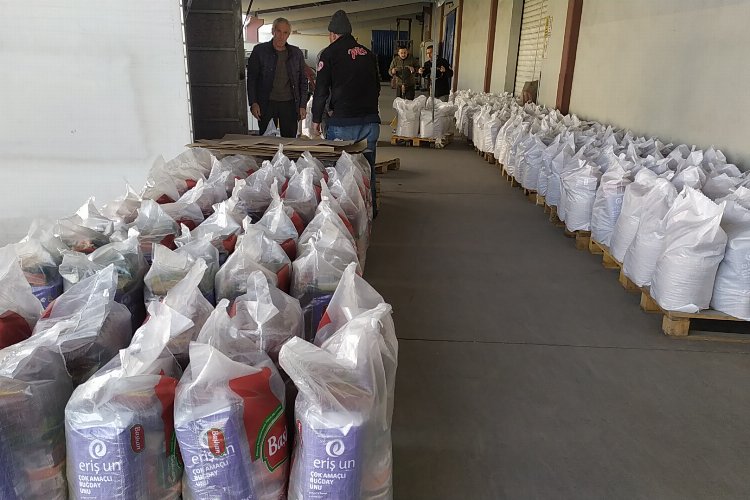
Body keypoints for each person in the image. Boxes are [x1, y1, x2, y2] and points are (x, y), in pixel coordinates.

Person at [312, 10, 381, 216]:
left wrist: (316, 119)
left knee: (341, 174)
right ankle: (370, 211)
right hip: (370, 123)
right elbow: (377, 87)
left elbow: (321, 90)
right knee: (367, 168)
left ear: (333, 34)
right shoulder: (368, 54)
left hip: (343, 123)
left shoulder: (329, 53)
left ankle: (345, 217)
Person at [246, 18, 308, 137]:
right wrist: (253, 103)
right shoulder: (260, 51)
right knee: (267, 140)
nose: (281, 36)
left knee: (289, 140)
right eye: (278, 31)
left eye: (285, 33)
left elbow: (302, 81)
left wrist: (302, 105)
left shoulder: (296, 54)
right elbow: (252, 79)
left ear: (288, 35)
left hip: (290, 104)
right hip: (266, 103)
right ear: (273, 31)